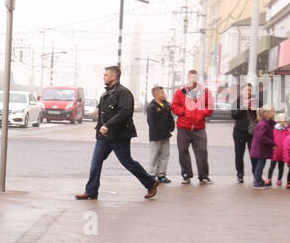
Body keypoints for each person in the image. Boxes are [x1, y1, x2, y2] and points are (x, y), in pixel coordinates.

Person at [75, 65, 158, 201]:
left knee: (127, 161)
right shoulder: (106, 93)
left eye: (106, 75)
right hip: (104, 136)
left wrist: (108, 125)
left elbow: (124, 113)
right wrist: (101, 128)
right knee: (96, 161)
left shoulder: (123, 93)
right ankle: (91, 191)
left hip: (119, 135)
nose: (104, 77)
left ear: (114, 76)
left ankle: (150, 181)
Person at [171, 69, 213, 183]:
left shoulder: (205, 91)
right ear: (187, 78)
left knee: (202, 151)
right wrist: (184, 112)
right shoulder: (180, 91)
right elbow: (174, 106)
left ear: (197, 78)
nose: (192, 79)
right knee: (183, 151)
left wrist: (201, 113)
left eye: (194, 77)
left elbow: (209, 108)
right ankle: (186, 175)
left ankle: (203, 176)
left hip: (199, 127)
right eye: (190, 77)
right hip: (183, 127)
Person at [145, 85, 175, 184]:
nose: (164, 94)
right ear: (156, 95)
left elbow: (170, 118)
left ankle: (162, 175)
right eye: (162, 93)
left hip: (166, 135)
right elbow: (151, 122)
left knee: (165, 155)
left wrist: (172, 127)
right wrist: (155, 134)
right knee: (154, 155)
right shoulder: (152, 107)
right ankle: (152, 174)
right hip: (155, 136)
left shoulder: (166, 105)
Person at [231, 83, 258, 183]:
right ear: (242, 91)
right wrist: (243, 107)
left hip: (252, 132)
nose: (248, 92)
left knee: (254, 154)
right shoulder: (237, 102)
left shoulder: (256, 101)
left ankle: (256, 174)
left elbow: (261, 115)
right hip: (239, 131)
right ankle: (240, 175)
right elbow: (234, 116)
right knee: (239, 154)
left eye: (250, 90)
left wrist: (255, 110)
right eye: (246, 90)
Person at [250, 106, 276, 188]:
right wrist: (272, 144)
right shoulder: (262, 124)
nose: (273, 113)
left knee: (261, 164)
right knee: (260, 165)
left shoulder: (266, 123)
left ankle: (258, 180)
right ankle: (257, 182)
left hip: (261, 149)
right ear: (266, 113)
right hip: (260, 149)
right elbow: (262, 137)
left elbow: (273, 124)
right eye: (272, 111)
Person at [269, 114, 290, 187]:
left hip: (283, 152)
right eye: (281, 121)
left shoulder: (288, 129)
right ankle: (269, 179)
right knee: (272, 166)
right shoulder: (274, 129)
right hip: (275, 151)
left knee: (281, 167)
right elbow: (271, 138)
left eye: (284, 121)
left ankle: (279, 180)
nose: (283, 123)